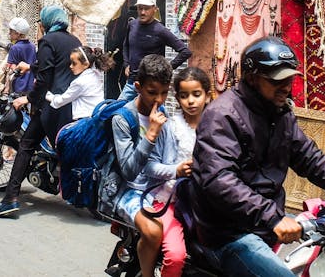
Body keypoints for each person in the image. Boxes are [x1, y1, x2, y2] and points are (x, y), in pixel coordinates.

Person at [188, 36, 325, 277]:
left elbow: (307, 156)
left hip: (265, 221)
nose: (286, 86)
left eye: (289, 79)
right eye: (277, 80)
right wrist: (272, 217)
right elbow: (219, 180)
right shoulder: (222, 116)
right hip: (230, 233)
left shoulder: (280, 112)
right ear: (252, 78)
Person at [0, 6, 81, 217]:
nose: (40, 25)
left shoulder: (47, 41)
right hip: (71, 103)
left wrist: (29, 98)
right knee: (60, 148)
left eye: (41, 21)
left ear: (47, 22)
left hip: (51, 105)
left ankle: (10, 199)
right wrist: (30, 67)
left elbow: (45, 77)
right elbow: (57, 66)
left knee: (26, 146)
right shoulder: (74, 41)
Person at [137, 67, 210, 277]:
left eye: (196, 94)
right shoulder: (169, 127)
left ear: (207, 95)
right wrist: (175, 171)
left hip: (205, 202)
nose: (191, 101)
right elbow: (149, 166)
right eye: (184, 96)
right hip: (168, 201)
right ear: (177, 98)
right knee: (176, 256)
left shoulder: (217, 126)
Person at [109, 54, 173, 226]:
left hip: (158, 186)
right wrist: (151, 134)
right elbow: (129, 172)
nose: (159, 100)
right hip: (130, 190)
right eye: (152, 93)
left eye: (164, 93)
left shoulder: (162, 111)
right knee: (153, 230)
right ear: (138, 87)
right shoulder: (122, 119)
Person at [118, 0, 191, 101]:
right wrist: (126, 64)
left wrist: (166, 69)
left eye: (146, 8)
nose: (143, 12)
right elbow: (126, 45)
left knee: (152, 111)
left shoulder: (160, 30)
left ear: (155, 9)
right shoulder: (132, 25)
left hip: (152, 85)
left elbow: (185, 51)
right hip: (132, 83)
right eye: (140, 8)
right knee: (117, 109)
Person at [45, 46, 114, 120]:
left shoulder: (80, 82)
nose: (71, 66)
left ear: (86, 64)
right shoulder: (96, 74)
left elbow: (61, 101)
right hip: (99, 115)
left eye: (74, 63)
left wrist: (46, 95)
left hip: (87, 120)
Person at [2, 17, 37, 96]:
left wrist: (6, 89)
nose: (9, 33)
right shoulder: (32, 47)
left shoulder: (14, 48)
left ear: (17, 33)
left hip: (18, 86)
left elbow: (11, 69)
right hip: (30, 85)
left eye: (11, 31)